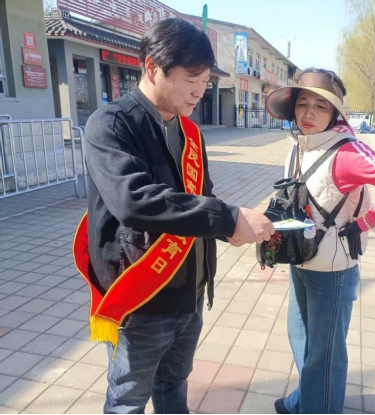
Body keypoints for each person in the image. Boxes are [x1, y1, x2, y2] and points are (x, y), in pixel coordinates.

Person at [78, 18, 274, 414]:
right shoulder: (111, 125)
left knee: (174, 385)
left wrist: (231, 229)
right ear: (152, 68)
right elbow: (135, 200)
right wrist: (226, 217)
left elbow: (202, 198)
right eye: (191, 80)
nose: (200, 91)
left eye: (205, 80)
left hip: (191, 291)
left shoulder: (189, 131)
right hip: (142, 297)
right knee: (128, 400)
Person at [265, 68, 375, 414]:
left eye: (320, 106)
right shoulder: (301, 144)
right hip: (301, 258)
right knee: (300, 334)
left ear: (335, 112)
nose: (308, 113)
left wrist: (365, 222)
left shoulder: (347, 152)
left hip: (333, 271)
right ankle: (303, 400)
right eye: (302, 104)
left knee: (326, 353)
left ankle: (317, 407)